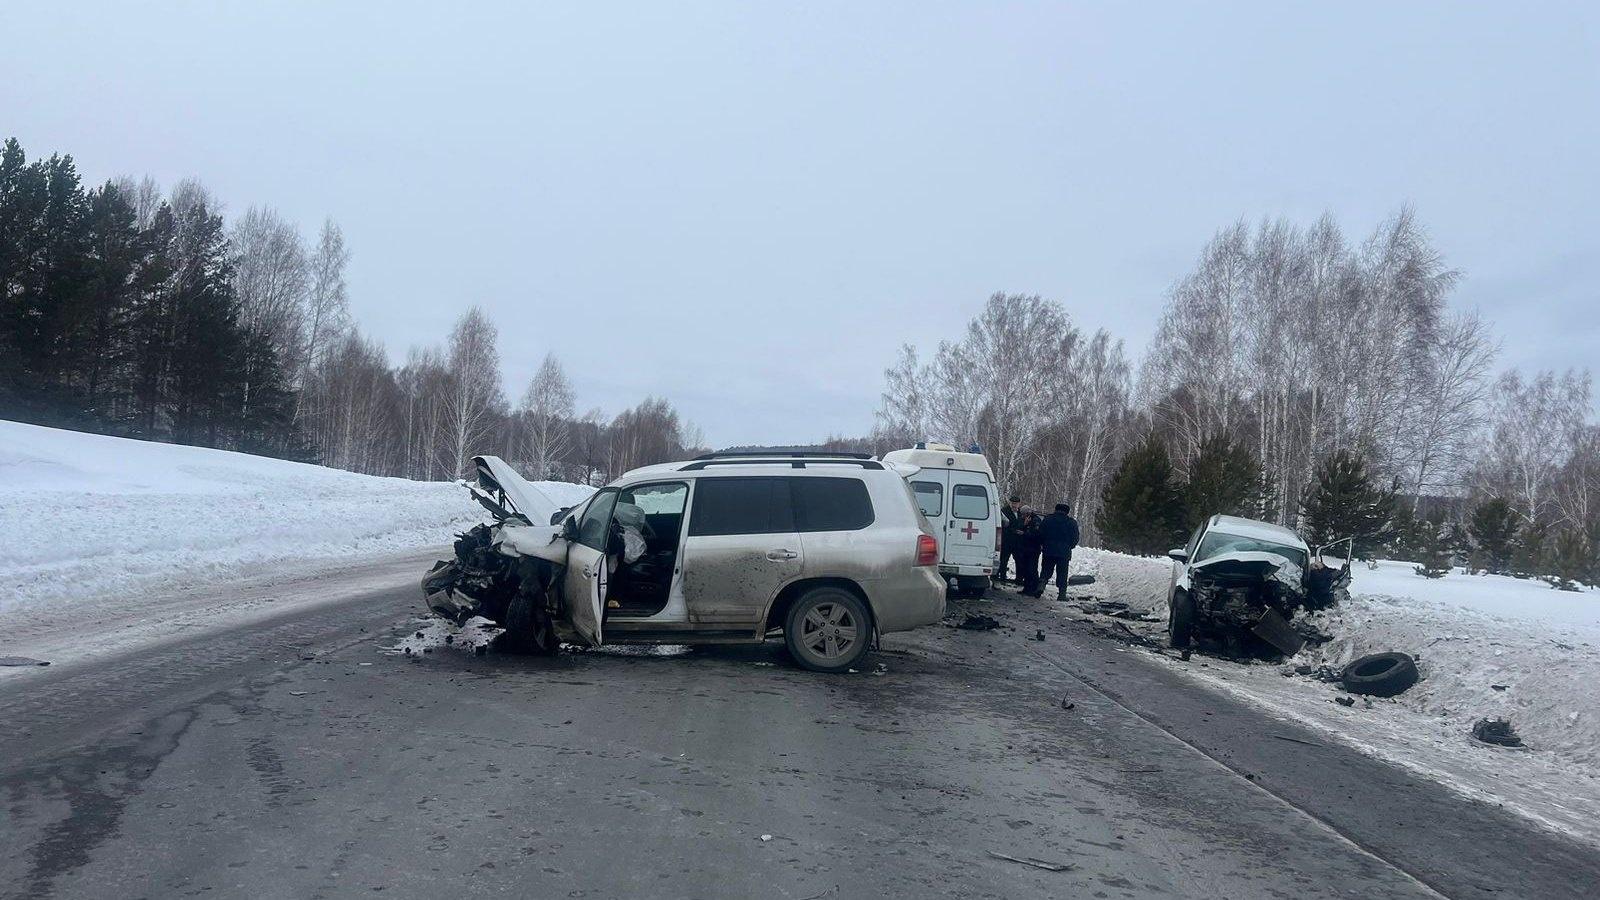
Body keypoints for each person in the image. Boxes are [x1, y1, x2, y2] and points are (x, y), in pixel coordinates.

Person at [1034, 502, 1080, 598]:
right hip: (1064, 552)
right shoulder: (1071, 522)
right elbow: (1075, 538)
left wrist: (1043, 544)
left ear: (1055, 509)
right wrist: (1070, 546)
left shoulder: (1048, 519)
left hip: (1049, 550)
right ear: (1067, 512)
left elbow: (1040, 533)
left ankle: (1041, 586)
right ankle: (1062, 594)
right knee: (1062, 573)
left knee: (1046, 570)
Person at [1014, 506, 1043, 595]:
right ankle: (1027, 588)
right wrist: (1024, 525)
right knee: (1026, 569)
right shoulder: (1025, 520)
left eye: (1023, 514)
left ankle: (1034, 588)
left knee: (1032, 569)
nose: (1022, 516)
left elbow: (1036, 535)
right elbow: (1018, 528)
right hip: (1025, 548)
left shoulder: (1036, 520)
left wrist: (1024, 533)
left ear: (1027, 513)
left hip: (1033, 549)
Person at [997, 495, 1023, 582]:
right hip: (1007, 540)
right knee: (1004, 560)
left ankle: (1019, 579)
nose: (1014, 505)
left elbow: (1021, 524)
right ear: (1010, 503)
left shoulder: (1020, 513)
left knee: (1019, 561)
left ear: (1019, 504)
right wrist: (1014, 531)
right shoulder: (1004, 511)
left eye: (1016, 504)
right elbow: (1004, 525)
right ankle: (1002, 577)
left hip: (1017, 542)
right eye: (1012, 503)